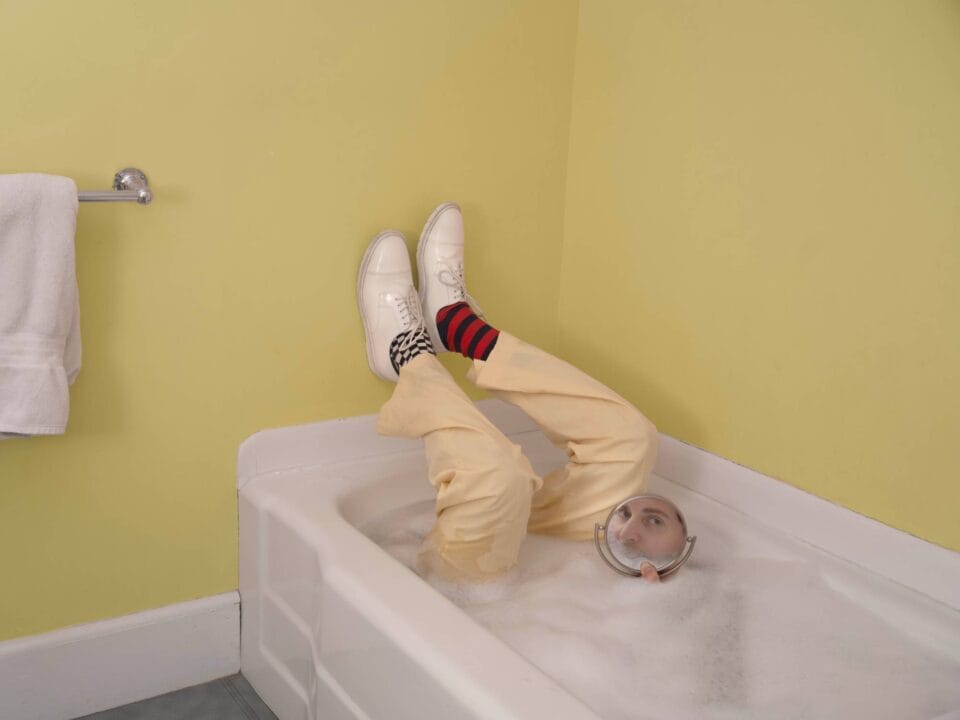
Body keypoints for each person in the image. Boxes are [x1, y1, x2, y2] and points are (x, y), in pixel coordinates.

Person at [356, 202, 680, 584]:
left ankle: (409, 356)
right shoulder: (677, 587)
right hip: (562, 559)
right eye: (642, 516)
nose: (633, 526)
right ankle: (457, 327)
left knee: (501, 478)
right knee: (632, 440)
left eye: (654, 521)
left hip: (470, 585)